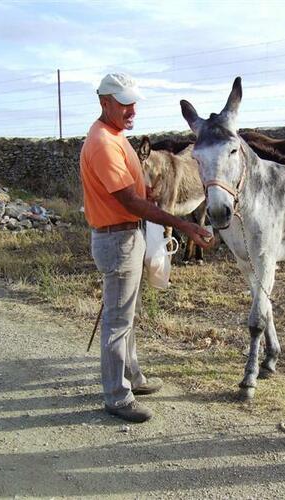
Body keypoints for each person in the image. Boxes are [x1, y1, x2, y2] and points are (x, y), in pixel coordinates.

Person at [80, 73, 212, 423]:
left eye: (133, 102)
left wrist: (143, 195)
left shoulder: (114, 136)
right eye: (124, 103)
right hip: (118, 238)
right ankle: (117, 396)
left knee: (126, 316)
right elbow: (128, 201)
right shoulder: (104, 144)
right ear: (104, 102)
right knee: (118, 321)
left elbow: (131, 193)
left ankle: (131, 377)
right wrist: (183, 225)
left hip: (125, 235)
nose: (131, 109)